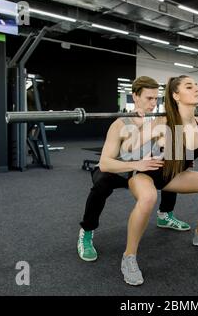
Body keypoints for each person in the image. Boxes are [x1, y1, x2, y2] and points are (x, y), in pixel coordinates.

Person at [120, 75, 198, 286]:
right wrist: (138, 124)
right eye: (189, 86)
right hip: (147, 174)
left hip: (173, 176)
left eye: (197, 85)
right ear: (176, 95)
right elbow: (127, 148)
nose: (196, 89)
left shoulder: (196, 121)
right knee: (148, 199)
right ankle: (129, 257)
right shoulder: (164, 121)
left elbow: (193, 139)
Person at [77, 76, 191, 262]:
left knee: (168, 166)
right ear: (135, 97)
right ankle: (87, 232)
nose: (154, 103)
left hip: (142, 171)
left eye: (156, 99)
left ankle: (165, 214)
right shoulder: (120, 124)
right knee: (102, 183)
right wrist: (135, 164)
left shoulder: (158, 121)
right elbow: (105, 163)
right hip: (119, 170)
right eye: (149, 98)